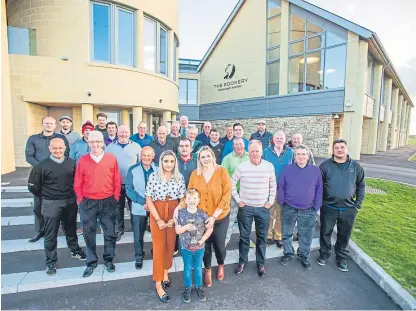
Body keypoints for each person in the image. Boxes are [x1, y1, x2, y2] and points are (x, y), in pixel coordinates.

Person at [28, 138, 86, 275]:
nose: (58, 151)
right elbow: (33, 187)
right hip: (50, 203)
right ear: (49, 148)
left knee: (71, 229)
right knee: (50, 234)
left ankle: (75, 250)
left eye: (60, 148)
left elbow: (77, 181)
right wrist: (47, 195)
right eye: (54, 148)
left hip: (70, 201)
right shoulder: (41, 166)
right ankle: (50, 262)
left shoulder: (71, 163)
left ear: (65, 148)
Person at [74, 131, 121, 278]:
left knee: (109, 232)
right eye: (92, 142)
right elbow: (77, 183)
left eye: (98, 142)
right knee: (89, 233)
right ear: (88, 143)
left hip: (108, 201)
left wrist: (115, 197)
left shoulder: (111, 158)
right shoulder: (82, 160)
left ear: (102, 143)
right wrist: (81, 200)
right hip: (88, 202)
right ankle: (91, 261)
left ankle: (108, 259)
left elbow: (117, 180)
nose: (95, 145)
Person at [317, 139, 365, 272]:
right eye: (336, 147)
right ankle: (324, 254)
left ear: (346, 149)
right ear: (333, 150)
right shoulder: (325, 166)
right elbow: (319, 186)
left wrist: (357, 205)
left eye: (342, 147)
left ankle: (341, 258)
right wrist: (320, 203)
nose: (339, 150)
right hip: (328, 207)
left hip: (348, 209)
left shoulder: (356, 167)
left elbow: (361, 186)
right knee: (325, 233)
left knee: (344, 236)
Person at [145, 150, 186, 302]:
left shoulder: (179, 177)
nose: (169, 164)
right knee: (158, 248)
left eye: (171, 161)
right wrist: (158, 220)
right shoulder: (153, 176)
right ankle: (158, 282)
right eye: (166, 161)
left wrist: (174, 217)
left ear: (175, 163)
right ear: (161, 162)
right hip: (158, 212)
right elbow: (148, 199)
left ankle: (165, 272)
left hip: (173, 213)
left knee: (170, 247)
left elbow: (182, 200)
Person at [188, 146, 231, 287]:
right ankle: (207, 269)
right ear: (199, 159)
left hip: (219, 217)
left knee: (219, 244)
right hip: (201, 218)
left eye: (208, 156)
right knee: (204, 245)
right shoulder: (195, 174)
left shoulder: (222, 172)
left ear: (213, 156)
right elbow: (190, 194)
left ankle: (220, 264)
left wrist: (213, 216)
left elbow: (226, 195)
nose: (206, 159)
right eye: (203, 157)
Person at [232, 140, 276, 277]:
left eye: (257, 151)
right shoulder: (242, 167)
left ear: (261, 151)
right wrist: (239, 201)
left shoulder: (269, 166)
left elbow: (273, 185)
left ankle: (260, 263)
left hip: (263, 209)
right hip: (246, 209)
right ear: (248, 152)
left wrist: (270, 202)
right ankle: (242, 261)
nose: (255, 154)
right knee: (244, 237)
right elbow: (231, 183)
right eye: (252, 151)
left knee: (261, 238)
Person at [25, 116, 70, 243]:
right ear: (42, 124)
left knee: (62, 204)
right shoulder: (33, 139)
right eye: (46, 123)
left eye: (51, 123)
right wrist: (43, 168)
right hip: (40, 176)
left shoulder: (61, 138)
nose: (49, 125)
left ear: (55, 125)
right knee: (38, 206)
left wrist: (55, 167)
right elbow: (29, 156)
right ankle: (40, 231)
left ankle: (65, 229)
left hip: (58, 176)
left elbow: (66, 154)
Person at [278, 144, 323, 270]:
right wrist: (281, 201)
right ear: (294, 156)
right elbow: (281, 185)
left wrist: (317, 206)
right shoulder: (287, 169)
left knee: (306, 234)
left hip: (308, 209)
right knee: (287, 233)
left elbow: (319, 189)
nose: (301, 157)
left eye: (303, 154)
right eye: (298, 154)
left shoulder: (315, 170)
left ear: (308, 156)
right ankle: (288, 253)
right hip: (289, 207)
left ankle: (303, 255)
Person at [175, 189, 213, 303]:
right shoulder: (181, 213)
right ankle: (187, 287)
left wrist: (202, 239)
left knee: (197, 267)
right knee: (187, 267)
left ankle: (199, 287)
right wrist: (186, 227)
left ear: (199, 200)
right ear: (185, 200)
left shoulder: (202, 214)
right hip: (185, 247)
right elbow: (177, 230)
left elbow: (210, 228)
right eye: (189, 198)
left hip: (199, 247)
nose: (192, 201)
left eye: (195, 198)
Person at [106, 125, 142, 241]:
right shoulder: (110, 147)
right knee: (118, 208)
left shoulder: (136, 147)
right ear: (117, 133)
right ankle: (119, 229)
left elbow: (141, 164)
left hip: (132, 184)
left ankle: (135, 229)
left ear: (129, 133)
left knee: (134, 207)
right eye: (121, 132)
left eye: (126, 132)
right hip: (116, 184)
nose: (123, 134)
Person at [126, 146, 157, 270]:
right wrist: (143, 202)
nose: (146, 158)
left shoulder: (158, 169)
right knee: (138, 234)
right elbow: (128, 189)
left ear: (153, 156)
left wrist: (152, 203)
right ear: (140, 156)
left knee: (156, 233)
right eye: (144, 155)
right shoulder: (132, 169)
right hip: (139, 206)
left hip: (155, 206)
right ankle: (139, 256)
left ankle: (156, 252)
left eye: (149, 155)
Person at [262, 131, 294, 248]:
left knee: (281, 214)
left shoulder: (290, 152)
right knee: (269, 212)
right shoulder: (266, 152)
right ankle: (269, 235)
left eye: (281, 138)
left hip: (284, 188)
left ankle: (278, 236)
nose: (279, 140)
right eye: (277, 138)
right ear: (273, 139)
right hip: (269, 187)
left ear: (285, 140)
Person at [221, 138, 249, 246]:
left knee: (246, 219)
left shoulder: (249, 156)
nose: (238, 146)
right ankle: (224, 241)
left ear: (244, 145)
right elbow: (224, 177)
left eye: (240, 144)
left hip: (246, 193)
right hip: (232, 193)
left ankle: (245, 240)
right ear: (233, 146)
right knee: (230, 219)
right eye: (236, 144)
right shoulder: (227, 158)